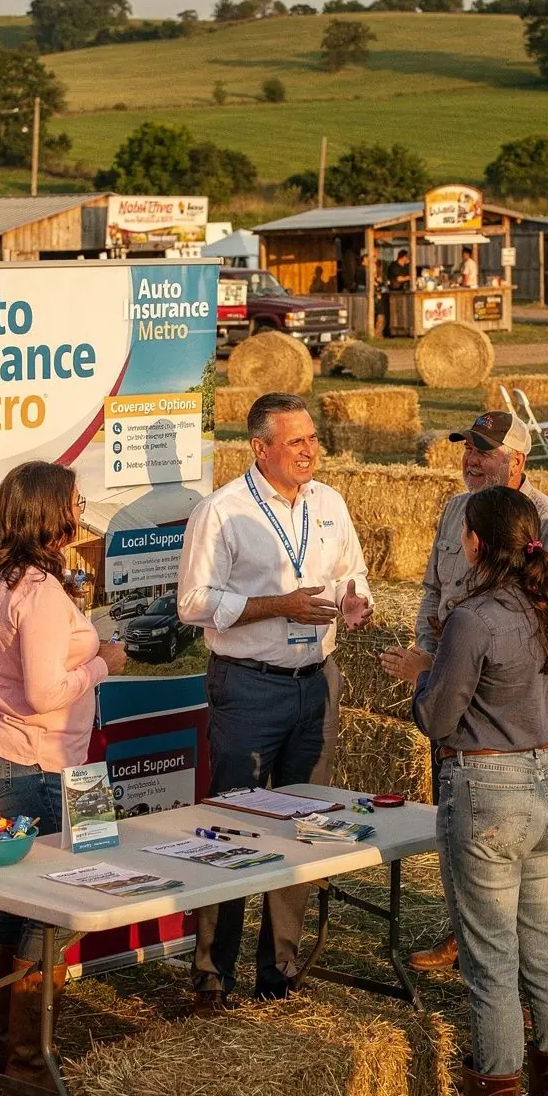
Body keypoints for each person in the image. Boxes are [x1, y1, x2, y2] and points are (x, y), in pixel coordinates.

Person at [385, 487, 548, 1096]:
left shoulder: (474, 619)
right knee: (545, 952)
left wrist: (422, 681)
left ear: (475, 542)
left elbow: (438, 720)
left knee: (492, 965)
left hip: (490, 788)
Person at [177, 393, 372, 1003]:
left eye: (313, 438)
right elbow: (193, 604)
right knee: (234, 824)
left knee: (306, 825)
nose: (311, 450)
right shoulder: (222, 511)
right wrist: (277, 607)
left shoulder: (330, 503)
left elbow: (352, 573)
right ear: (260, 449)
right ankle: (214, 972)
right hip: (248, 687)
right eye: (297, 442)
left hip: (316, 680)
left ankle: (279, 972)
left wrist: (356, 601)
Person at [0, 461, 126, 1096]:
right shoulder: (41, 591)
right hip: (40, 757)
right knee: (60, 900)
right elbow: (44, 691)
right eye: (75, 501)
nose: (80, 511)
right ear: (49, 511)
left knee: (14, 898)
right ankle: (29, 1062)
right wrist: (102, 664)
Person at [387, 410, 548, 973]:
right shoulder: (455, 509)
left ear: (516, 461)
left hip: (509, 714)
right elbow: (431, 589)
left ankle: (502, 957)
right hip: (453, 687)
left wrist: (440, 666)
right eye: (467, 448)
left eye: (484, 450)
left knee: (497, 834)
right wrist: (432, 653)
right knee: (458, 820)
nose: (471, 459)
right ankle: (463, 926)